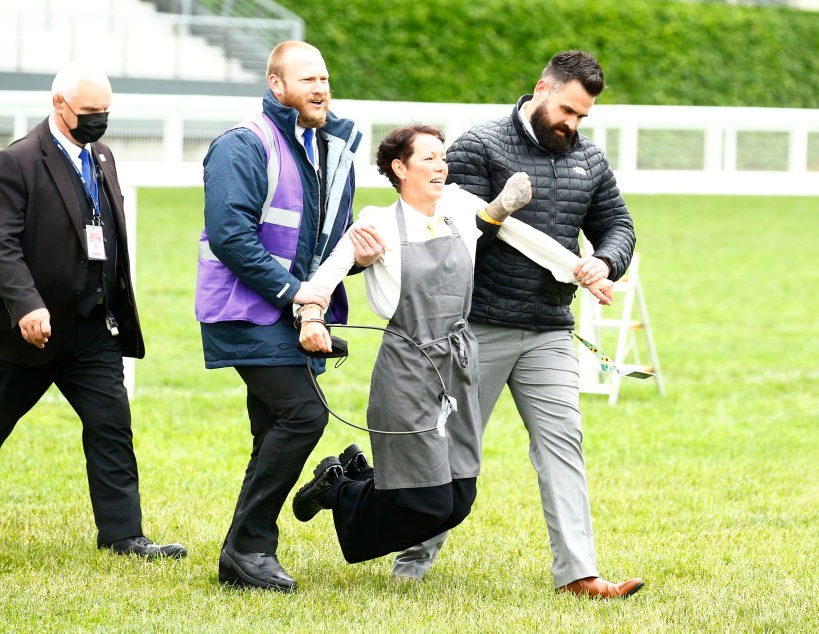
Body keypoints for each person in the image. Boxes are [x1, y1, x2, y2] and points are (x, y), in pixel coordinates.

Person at [392, 50, 643, 599]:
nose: (572, 125)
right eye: (568, 110)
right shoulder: (479, 147)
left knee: (563, 445)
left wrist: (605, 259)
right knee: (452, 447)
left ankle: (579, 574)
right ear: (542, 88)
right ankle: (411, 559)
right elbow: (443, 228)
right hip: (476, 328)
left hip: (551, 329)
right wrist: (501, 212)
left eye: (582, 117)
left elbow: (617, 225)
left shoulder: (591, 162)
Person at [0, 62, 186, 560]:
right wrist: (27, 306)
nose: (99, 120)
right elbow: (0, 244)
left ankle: (124, 536)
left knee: (111, 425)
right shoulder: (17, 160)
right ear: (59, 105)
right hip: (29, 329)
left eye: (105, 111)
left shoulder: (102, 156)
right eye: (89, 112)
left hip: (93, 327)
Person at [291, 124, 533, 566]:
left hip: (458, 363)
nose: (441, 166)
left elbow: (495, 222)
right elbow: (325, 276)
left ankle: (353, 478)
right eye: (429, 158)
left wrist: (575, 266)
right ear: (400, 168)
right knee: (428, 503)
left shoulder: (459, 207)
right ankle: (341, 490)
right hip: (407, 367)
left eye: (443, 157)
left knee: (459, 499)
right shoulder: (377, 223)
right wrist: (311, 316)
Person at [196, 41, 383, 593]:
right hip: (247, 310)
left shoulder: (331, 149)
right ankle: (249, 547)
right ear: (276, 85)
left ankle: (242, 556)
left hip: (295, 310)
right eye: (306, 80)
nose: (320, 89)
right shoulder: (243, 145)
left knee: (271, 430)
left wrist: (355, 263)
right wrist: (298, 295)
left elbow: (316, 243)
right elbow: (231, 236)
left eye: (324, 78)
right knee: (302, 416)